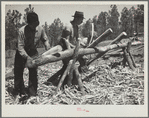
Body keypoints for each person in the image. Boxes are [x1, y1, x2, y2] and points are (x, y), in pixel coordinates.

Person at [9, 12, 50, 100]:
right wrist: (27, 58)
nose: (35, 26)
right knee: (18, 72)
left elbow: (44, 38)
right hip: (22, 53)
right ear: (28, 23)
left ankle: (32, 92)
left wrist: (46, 44)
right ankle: (19, 91)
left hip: (33, 52)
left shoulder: (40, 29)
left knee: (33, 73)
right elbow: (20, 47)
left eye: (36, 24)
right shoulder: (22, 31)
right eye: (33, 24)